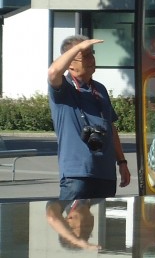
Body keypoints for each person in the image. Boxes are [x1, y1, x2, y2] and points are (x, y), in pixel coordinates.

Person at [47, 35, 130, 200]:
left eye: (91, 53)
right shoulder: (64, 88)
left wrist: (122, 162)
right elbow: (53, 72)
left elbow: (110, 128)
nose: (91, 59)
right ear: (70, 63)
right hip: (77, 175)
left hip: (105, 174)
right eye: (84, 56)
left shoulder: (100, 89)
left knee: (100, 225)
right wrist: (77, 48)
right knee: (72, 225)